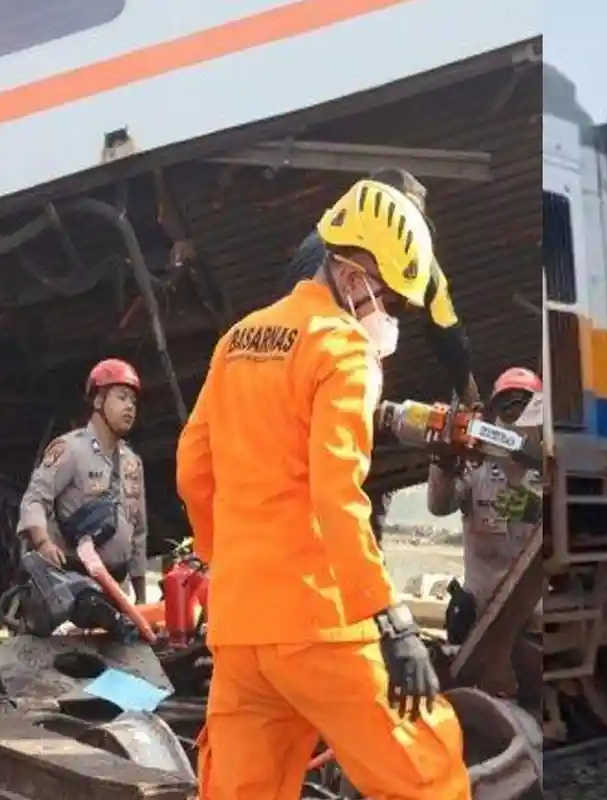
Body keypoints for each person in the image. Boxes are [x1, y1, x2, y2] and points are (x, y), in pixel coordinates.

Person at [177, 178, 470, 800]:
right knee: (429, 773)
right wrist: (392, 622)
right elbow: (337, 494)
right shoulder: (343, 351)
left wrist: (225, 565)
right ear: (353, 272)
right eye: (389, 299)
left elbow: (192, 466)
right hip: (320, 623)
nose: (388, 316)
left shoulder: (238, 338)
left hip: (241, 630)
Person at [287, 166, 480, 405]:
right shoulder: (320, 251)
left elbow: (449, 336)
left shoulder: (321, 239)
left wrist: (472, 406)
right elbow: (449, 337)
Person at [16, 359, 150, 605]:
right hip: (72, 587)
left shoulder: (132, 463)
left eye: (133, 401)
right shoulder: (71, 449)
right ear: (99, 401)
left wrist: (141, 600)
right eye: (121, 397)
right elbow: (34, 499)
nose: (130, 406)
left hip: (117, 593)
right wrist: (43, 543)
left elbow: (138, 533)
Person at [427, 367, 544, 646]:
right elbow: (440, 506)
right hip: (479, 617)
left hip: (534, 620)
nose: (515, 415)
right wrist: (443, 464)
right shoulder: (478, 468)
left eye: (523, 405)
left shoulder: (555, 469)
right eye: (507, 407)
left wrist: (538, 512)